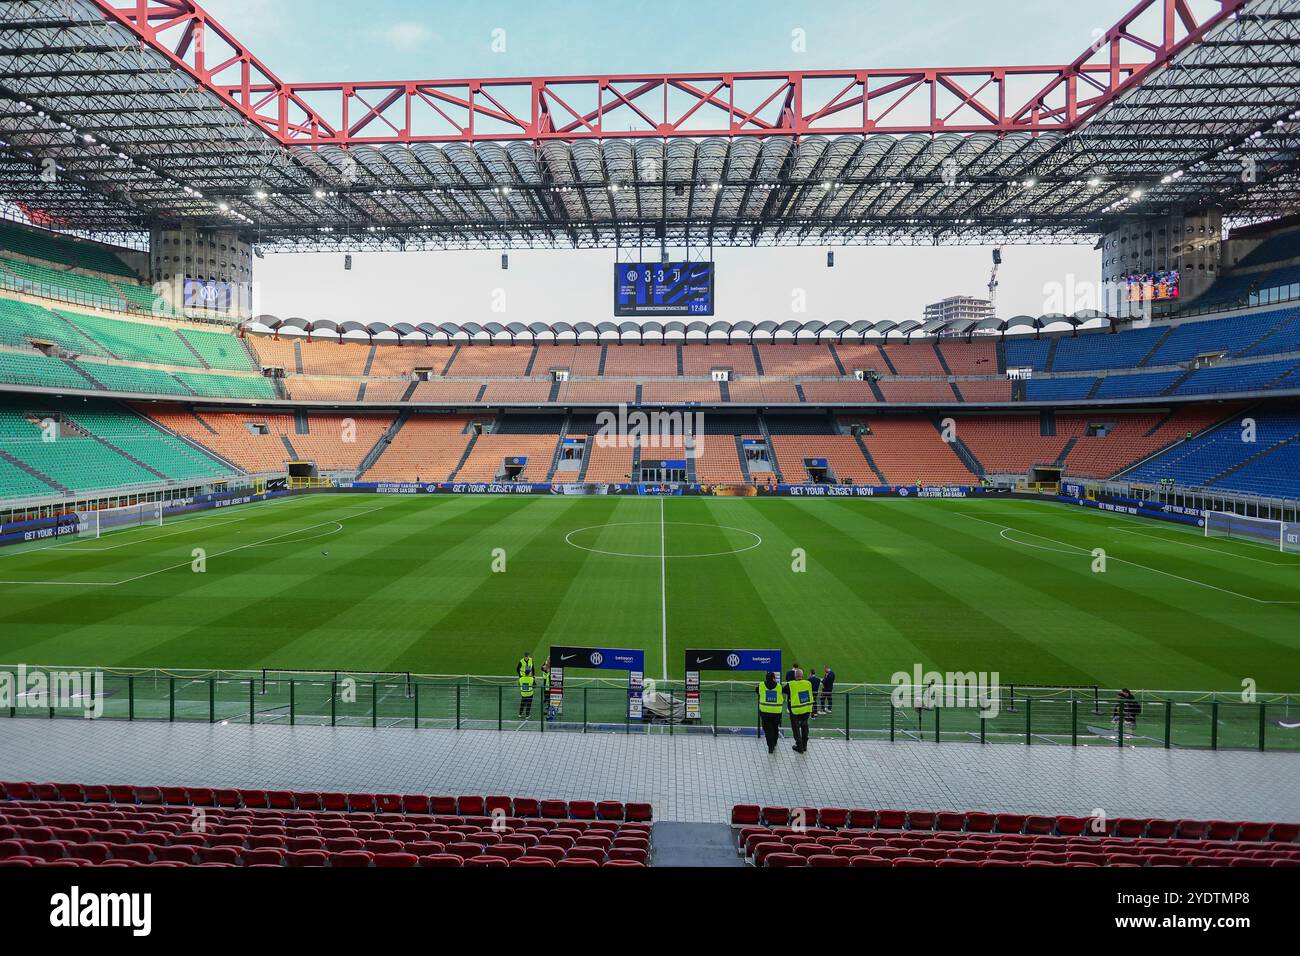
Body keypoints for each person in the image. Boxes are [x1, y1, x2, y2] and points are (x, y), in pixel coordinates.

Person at [785, 668, 814, 754]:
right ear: (802, 675)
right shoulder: (808, 683)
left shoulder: (791, 684)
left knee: (796, 729)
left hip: (795, 710)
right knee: (805, 727)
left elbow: (783, 690)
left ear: (795, 676)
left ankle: (799, 746)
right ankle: (804, 746)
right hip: (806, 709)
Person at [756, 672, 784, 754]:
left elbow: (757, 691)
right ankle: (774, 743)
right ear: (773, 678)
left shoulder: (761, 685)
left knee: (768, 730)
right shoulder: (779, 686)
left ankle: (770, 747)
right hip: (776, 712)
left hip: (765, 712)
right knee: (775, 728)